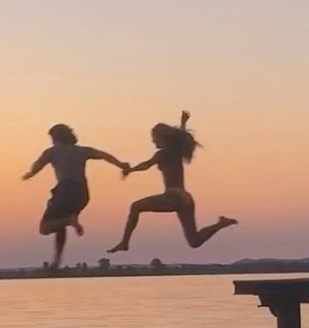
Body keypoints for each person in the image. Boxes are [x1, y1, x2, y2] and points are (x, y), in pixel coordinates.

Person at [108, 110, 237, 254]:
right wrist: (183, 124)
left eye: (154, 138)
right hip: (186, 198)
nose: (152, 141)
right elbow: (180, 138)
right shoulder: (176, 151)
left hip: (173, 197)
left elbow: (146, 165)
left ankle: (125, 242)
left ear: (161, 138)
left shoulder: (162, 154)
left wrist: (130, 170)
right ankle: (221, 224)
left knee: (135, 206)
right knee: (194, 241)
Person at [24, 124, 129, 269]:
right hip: (82, 194)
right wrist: (121, 165)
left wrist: (30, 173)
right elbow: (104, 155)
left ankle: (69, 221)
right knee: (60, 224)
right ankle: (57, 259)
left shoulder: (52, 152)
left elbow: (38, 166)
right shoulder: (82, 151)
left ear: (56, 138)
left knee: (45, 227)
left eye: (52, 138)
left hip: (65, 190)